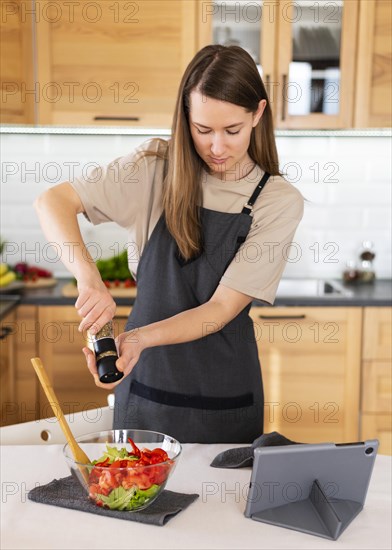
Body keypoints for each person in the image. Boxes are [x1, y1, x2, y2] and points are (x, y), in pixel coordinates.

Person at [34, 45, 304, 444]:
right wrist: (87, 278)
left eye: (232, 131)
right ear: (185, 117)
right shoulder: (155, 169)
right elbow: (52, 202)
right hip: (146, 391)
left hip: (225, 400)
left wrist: (139, 338)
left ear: (257, 114)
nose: (216, 147)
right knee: (133, 497)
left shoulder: (276, 200)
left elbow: (219, 309)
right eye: (202, 129)